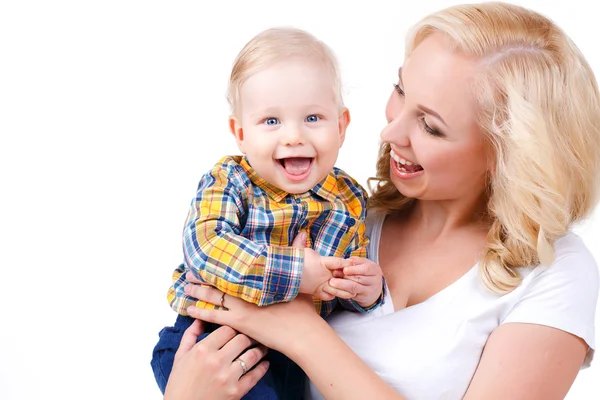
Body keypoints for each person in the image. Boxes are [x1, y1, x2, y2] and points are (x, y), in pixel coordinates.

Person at [161, 2, 600, 399]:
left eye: (430, 126)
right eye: (401, 90)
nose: (389, 133)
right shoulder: (345, 217)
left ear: (508, 153)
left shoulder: (553, 271)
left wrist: (301, 331)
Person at [151, 27, 385, 399]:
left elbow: (343, 282)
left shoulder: (349, 198)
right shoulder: (230, 180)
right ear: (240, 132)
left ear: (341, 126)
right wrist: (298, 273)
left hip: (291, 357)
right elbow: (206, 247)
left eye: (312, 118)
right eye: (271, 121)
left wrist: (364, 290)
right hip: (214, 341)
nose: (293, 136)